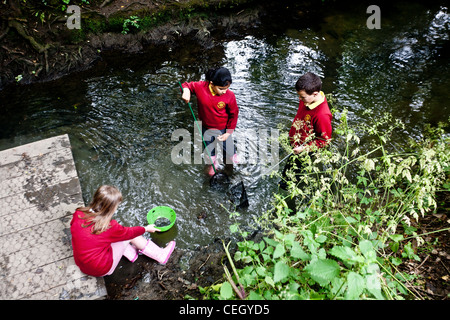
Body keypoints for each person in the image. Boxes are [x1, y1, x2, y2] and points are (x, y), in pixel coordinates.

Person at [70, 185, 176, 277]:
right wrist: (146, 228)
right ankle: (161, 255)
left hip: (83, 264)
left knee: (112, 236)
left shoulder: (78, 213)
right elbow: (130, 233)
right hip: (100, 269)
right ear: (110, 208)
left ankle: (131, 254)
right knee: (131, 234)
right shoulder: (110, 227)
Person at [279, 72, 332, 199]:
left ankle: (290, 201)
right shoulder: (307, 99)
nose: (300, 99)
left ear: (315, 94)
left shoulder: (322, 115)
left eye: (302, 97)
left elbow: (325, 141)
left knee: (288, 181)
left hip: (304, 151)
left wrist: (304, 148)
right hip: (295, 143)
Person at [181, 67, 239, 176]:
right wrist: (186, 92)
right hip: (206, 127)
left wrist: (228, 133)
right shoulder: (201, 87)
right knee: (209, 150)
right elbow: (186, 85)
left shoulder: (230, 96)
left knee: (229, 151)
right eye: (221, 88)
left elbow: (234, 114)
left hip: (223, 129)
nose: (224, 91)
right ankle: (212, 165)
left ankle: (231, 165)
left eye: (227, 88)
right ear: (211, 84)